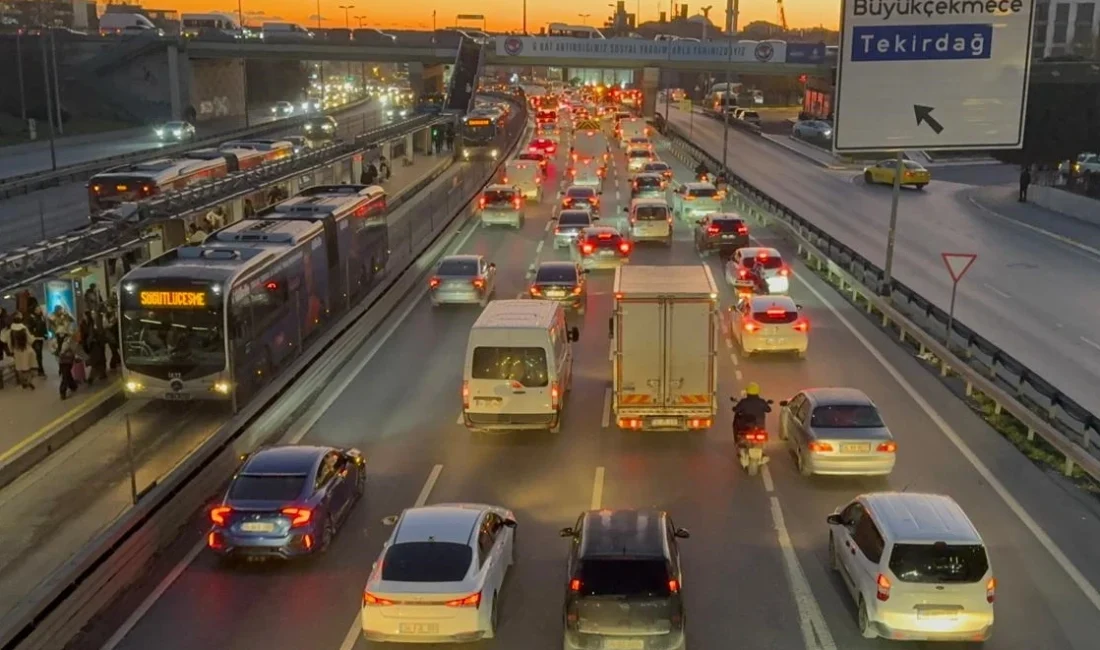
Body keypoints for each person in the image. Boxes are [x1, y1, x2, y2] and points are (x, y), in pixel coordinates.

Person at [5, 313, 37, 389]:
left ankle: (23, 382)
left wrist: (11, 351)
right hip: (27, 350)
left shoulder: (10, 331)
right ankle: (29, 381)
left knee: (19, 367)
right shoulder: (24, 329)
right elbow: (30, 340)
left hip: (17, 351)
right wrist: (33, 337)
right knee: (28, 366)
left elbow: (9, 342)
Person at [28, 305, 48, 378]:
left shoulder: (41, 317)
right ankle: (40, 370)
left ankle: (38, 369)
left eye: (40, 308)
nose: (39, 309)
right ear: (34, 310)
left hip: (41, 338)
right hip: (35, 339)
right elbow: (29, 328)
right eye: (37, 308)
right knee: (38, 354)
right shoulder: (32, 318)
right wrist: (34, 333)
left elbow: (44, 326)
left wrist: (45, 334)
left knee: (39, 355)